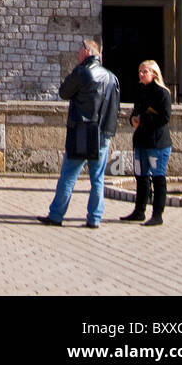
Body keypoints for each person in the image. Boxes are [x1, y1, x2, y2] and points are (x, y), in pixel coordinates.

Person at [38, 38, 120, 229]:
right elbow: (114, 109)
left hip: (82, 131)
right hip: (103, 133)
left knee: (68, 175)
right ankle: (94, 218)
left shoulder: (83, 72)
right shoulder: (111, 77)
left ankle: (56, 215)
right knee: (97, 179)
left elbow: (64, 92)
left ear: (86, 51)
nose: (76, 53)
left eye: (78, 50)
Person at [120, 58, 172, 226]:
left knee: (158, 178)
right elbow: (136, 111)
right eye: (140, 72)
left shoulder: (162, 93)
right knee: (141, 177)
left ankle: (157, 214)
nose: (141, 75)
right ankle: (139, 211)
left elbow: (164, 117)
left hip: (156, 144)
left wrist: (143, 119)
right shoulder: (141, 90)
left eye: (144, 71)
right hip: (141, 141)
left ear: (154, 73)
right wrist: (133, 119)